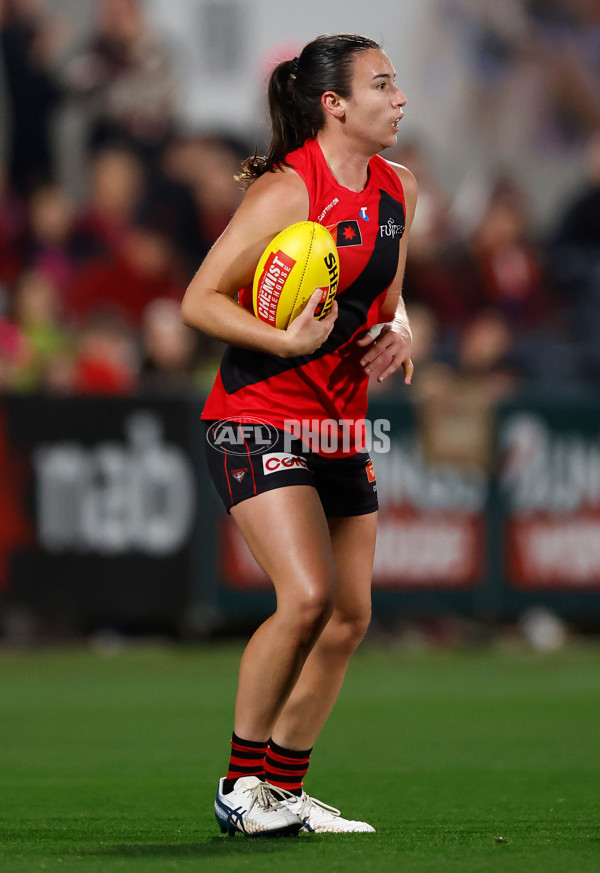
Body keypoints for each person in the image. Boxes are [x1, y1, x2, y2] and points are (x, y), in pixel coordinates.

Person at [181, 33, 417, 837]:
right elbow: (200, 299)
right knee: (308, 596)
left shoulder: (400, 189)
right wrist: (283, 340)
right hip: (256, 412)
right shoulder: (288, 190)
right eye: (382, 85)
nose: (400, 98)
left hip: (338, 418)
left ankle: (280, 793)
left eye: (397, 84)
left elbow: (390, 288)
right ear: (334, 104)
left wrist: (403, 328)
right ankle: (239, 781)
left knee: (349, 616)